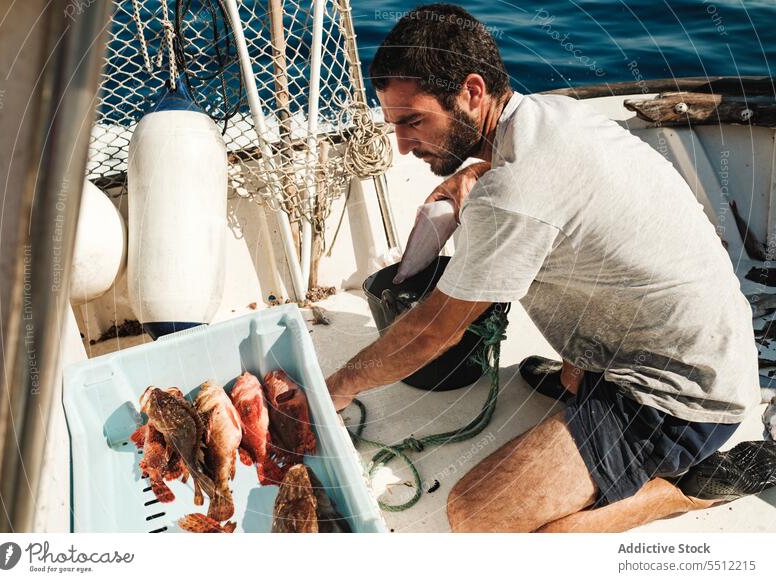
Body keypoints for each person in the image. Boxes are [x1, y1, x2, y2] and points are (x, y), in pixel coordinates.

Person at [324, 3, 774, 532]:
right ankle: (584, 377)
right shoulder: (549, 115)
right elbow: (524, 185)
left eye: (412, 121)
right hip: (699, 345)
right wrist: (469, 178)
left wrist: (341, 383)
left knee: (479, 518)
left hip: (682, 396)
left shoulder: (512, 195)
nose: (401, 146)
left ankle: (682, 492)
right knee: (565, 382)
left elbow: (432, 334)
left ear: (471, 92)